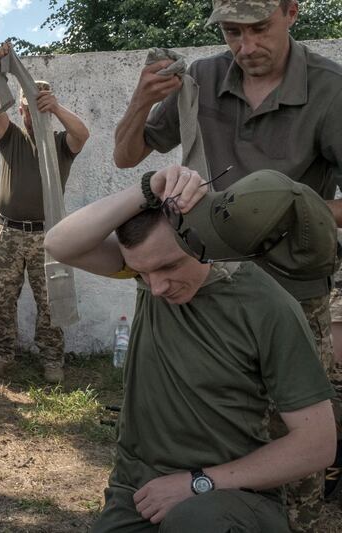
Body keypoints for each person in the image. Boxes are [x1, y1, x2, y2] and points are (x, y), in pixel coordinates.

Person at [112, 0, 342, 524]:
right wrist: (139, 101)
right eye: (233, 32)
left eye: (259, 28)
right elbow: (127, 156)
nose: (246, 47)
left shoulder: (331, 89)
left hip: (290, 293)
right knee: (208, 426)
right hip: (201, 283)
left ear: (291, 12)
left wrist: (287, 212)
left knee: (296, 447)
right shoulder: (203, 78)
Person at [45, 165, 337, 532]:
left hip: (230, 496)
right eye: (141, 273)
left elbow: (317, 443)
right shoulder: (151, 276)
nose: (156, 288)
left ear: (204, 241)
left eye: (168, 267)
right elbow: (59, 244)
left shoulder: (268, 308)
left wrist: (198, 482)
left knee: (195, 519)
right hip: (139, 488)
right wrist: (147, 188)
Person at [0, 41, 90, 383]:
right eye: (30, 109)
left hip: (48, 233)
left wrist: (56, 109)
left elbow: (83, 134)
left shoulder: (61, 144)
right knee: (2, 298)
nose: (34, 115)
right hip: (8, 233)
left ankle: (52, 361)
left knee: (50, 303)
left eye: (40, 109)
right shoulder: (12, 137)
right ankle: (1, 356)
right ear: (23, 111)